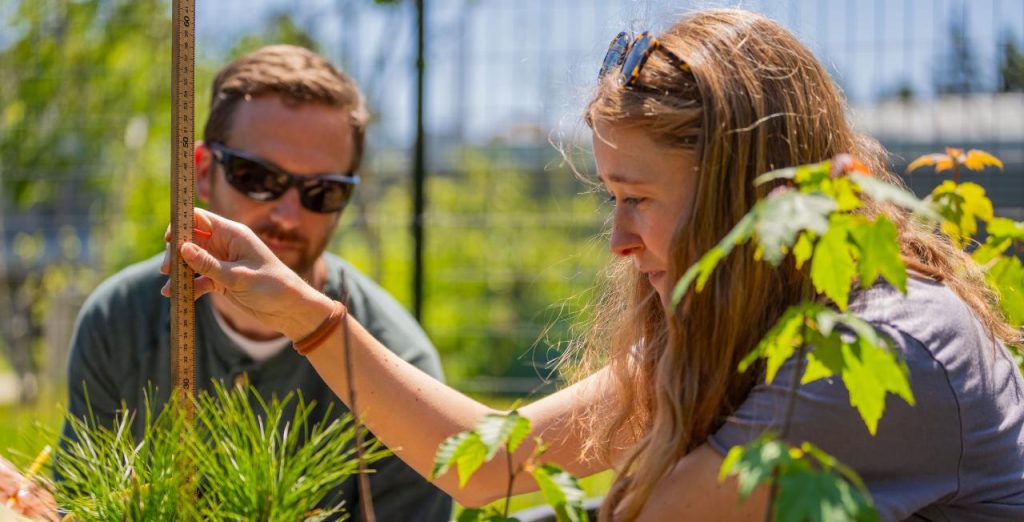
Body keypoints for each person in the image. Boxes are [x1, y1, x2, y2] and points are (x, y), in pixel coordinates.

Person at [160, 9, 1024, 522]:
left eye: (636, 197)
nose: (617, 238)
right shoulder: (746, 320)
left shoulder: (876, 354)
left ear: (742, 195)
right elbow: (488, 465)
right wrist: (304, 314)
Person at [1, 45, 451, 521]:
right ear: (201, 173)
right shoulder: (120, 321)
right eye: (257, 177)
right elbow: (84, 503)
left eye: (322, 191)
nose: (287, 214)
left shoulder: (399, 367)